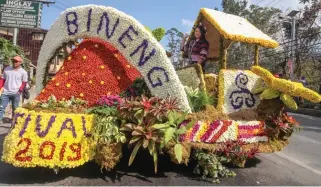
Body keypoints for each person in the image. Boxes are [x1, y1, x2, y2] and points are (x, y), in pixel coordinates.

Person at [0, 55, 28, 125]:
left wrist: (19, 91)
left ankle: (14, 122)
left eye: (16, 61)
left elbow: (24, 82)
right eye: (13, 61)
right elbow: (2, 80)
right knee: (1, 108)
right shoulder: (7, 69)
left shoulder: (23, 72)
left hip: (16, 93)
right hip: (5, 93)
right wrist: (1, 88)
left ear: (20, 62)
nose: (14, 62)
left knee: (15, 109)